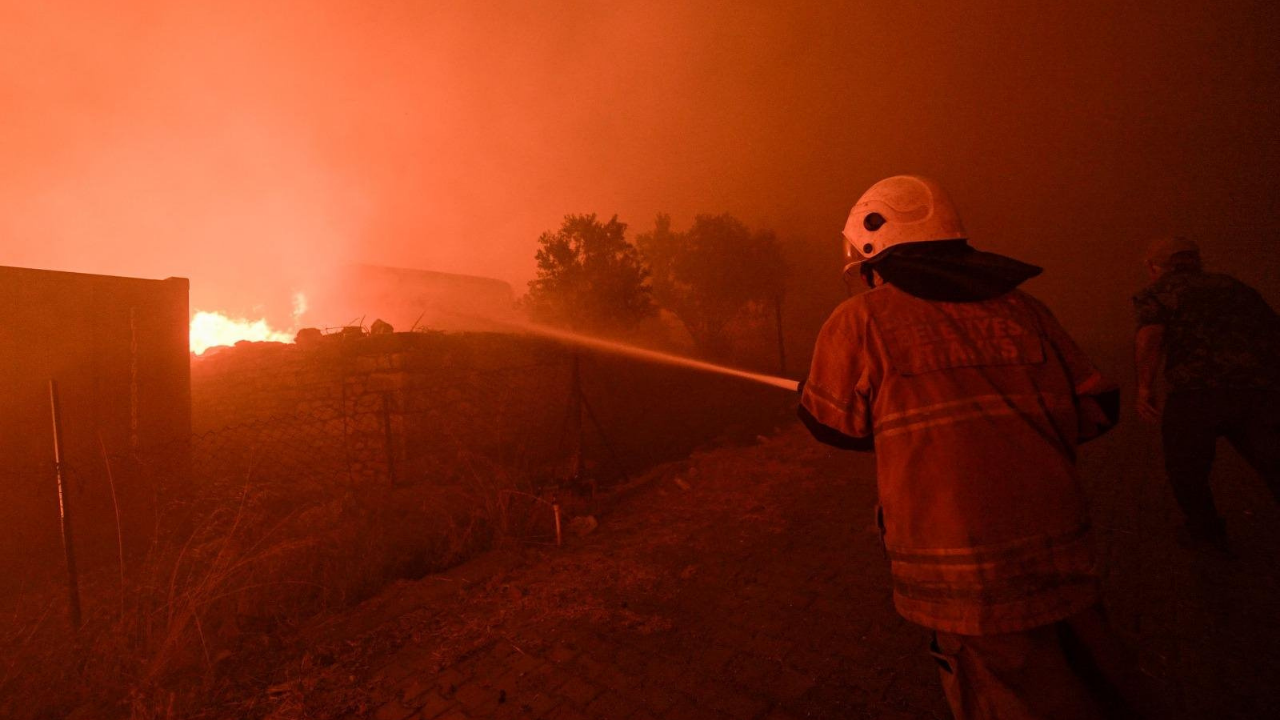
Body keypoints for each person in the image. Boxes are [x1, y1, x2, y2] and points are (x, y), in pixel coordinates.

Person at [799, 175, 1146, 719]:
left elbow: (833, 424)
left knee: (1005, 694)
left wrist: (813, 394)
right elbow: (1098, 409)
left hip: (961, 563)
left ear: (873, 255)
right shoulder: (1026, 311)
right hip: (1058, 540)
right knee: (1097, 671)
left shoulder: (860, 321)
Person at [1132, 236, 1280, 550]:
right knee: (1272, 461)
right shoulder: (1235, 287)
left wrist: (1145, 387)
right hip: (1256, 390)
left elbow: (1150, 336)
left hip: (1195, 394)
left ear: (1154, 267)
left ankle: (1207, 534)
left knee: (1186, 468)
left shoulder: (1157, 292)